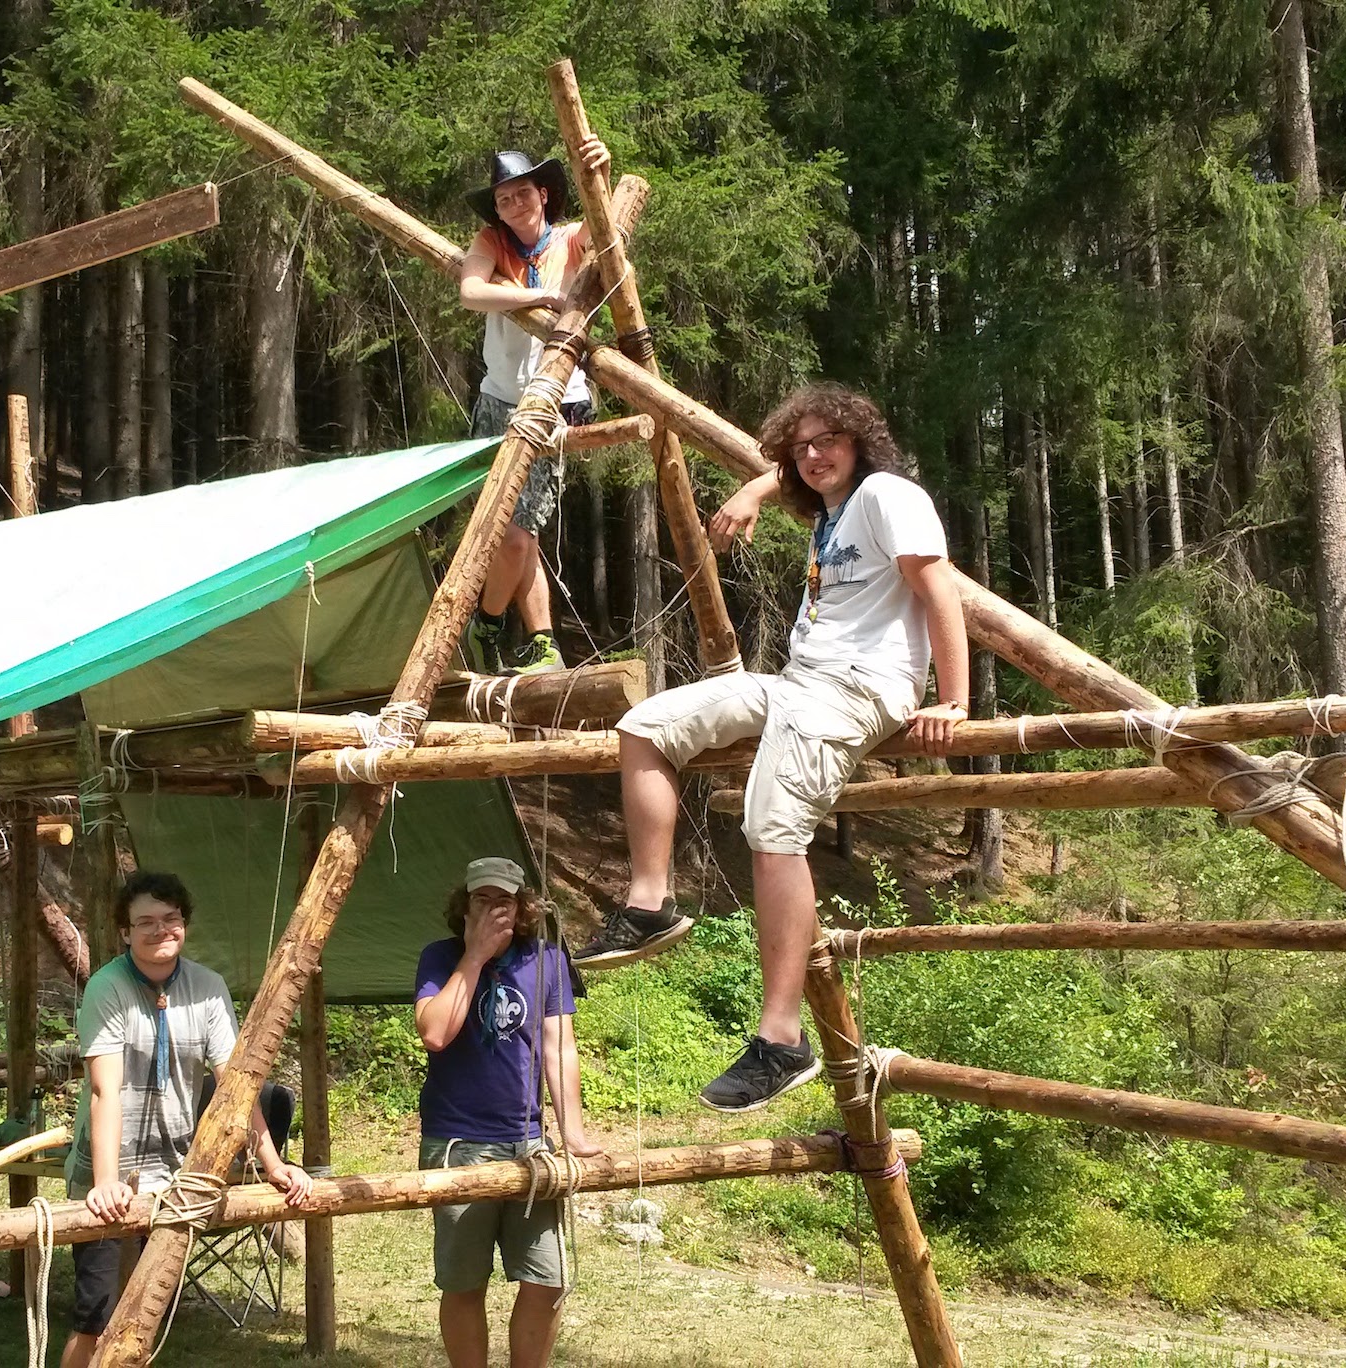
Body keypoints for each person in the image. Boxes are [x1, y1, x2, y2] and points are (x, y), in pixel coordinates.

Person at [570, 384, 969, 1115]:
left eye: (829, 441)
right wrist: (756, 490)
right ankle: (651, 903)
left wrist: (954, 698)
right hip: (798, 682)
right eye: (801, 446)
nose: (814, 456)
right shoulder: (831, 511)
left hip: (861, 685)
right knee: (647, 727)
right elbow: (786, 475)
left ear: (861, 439)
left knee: (773, 828)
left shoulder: (887, 494)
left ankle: (782, 1038)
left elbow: (938, 588)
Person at [59, 872, 312, 1368]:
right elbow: (105, 1091)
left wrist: (274, 1164)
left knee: (145, 1318)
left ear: (185, 925)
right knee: (95, 1318)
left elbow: (240, 1089)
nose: (160, 930)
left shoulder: (208, 988)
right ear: (125, 932)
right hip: (107, 1169)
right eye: (146, 922)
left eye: (170, 919)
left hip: (175, 1174)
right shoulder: (106, 987)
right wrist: (106, 1183)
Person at [415, 857, 601, 1368]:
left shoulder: (546, 960)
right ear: (465, 904)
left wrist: (575, 1135)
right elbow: (435, 1033)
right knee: (463, 1285)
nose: (495, 909)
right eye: (483, 899)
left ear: (522, 908)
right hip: (457, 1145)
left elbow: (559, 1047)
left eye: (505, 901)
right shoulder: (440, 957)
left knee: (548, 1279)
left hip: (530, 1146)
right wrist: (473, 958)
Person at [457, 139, 609, 675]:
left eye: (522, 193)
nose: (514, 205)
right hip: (499, 399)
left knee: (517, 533)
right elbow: (472, 292)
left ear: (543, 195)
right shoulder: (492, 241)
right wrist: (534, 298)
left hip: (556, 400)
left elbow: (606, 228)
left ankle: (489, 622)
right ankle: (542, 640)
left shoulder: (568, 239)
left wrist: (599, 173)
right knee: (517, 531)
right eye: (503, 199)